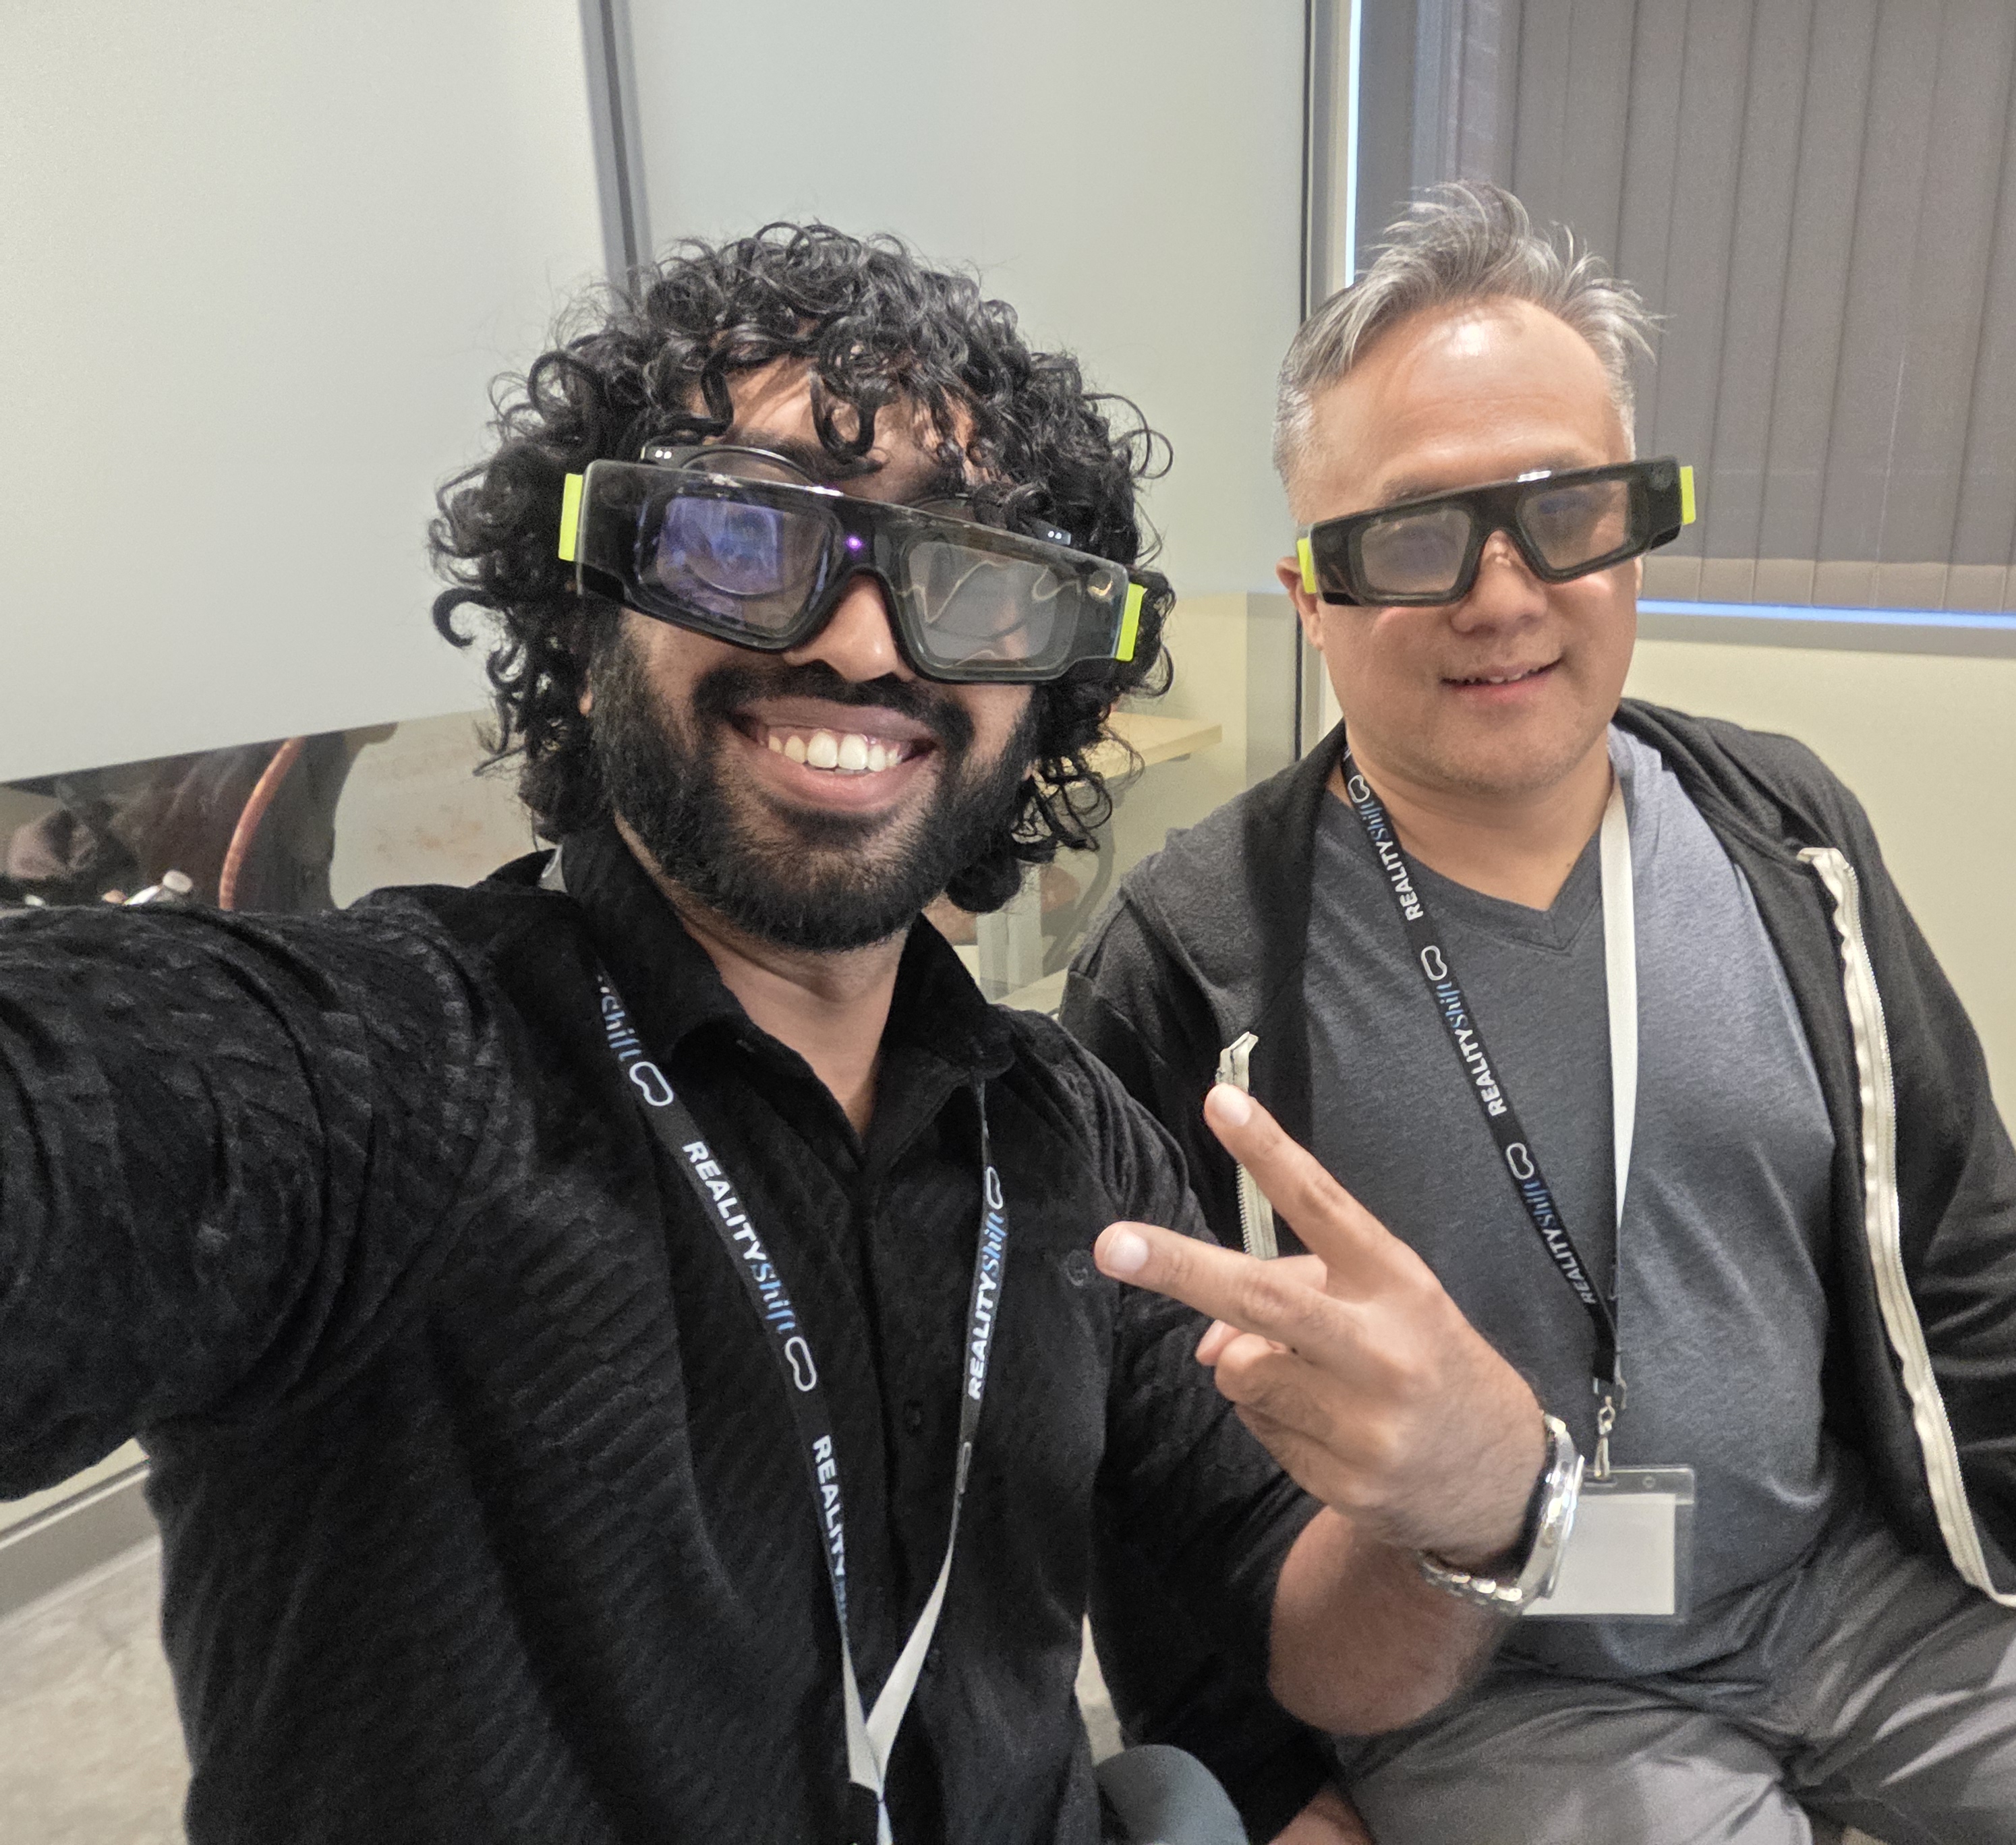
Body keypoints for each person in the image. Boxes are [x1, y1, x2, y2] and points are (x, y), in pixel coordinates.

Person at [0, 223, 1562, 1845]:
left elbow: (1310, 1636)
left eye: (969, 575)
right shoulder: (382, 1076)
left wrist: (1468, 1518)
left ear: (1043, 693)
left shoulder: (1076, 1147)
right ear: (590, 611)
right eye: (746, 536)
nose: (865, 644)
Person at [1064, 187, 2016, 1845]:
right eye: (1412, 538)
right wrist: (1263, 1781)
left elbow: (1968, 1252)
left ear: (1633, 536)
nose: (1503, 595)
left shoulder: (1787, 839)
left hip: (1863, 1599)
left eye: (1566, 512)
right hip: (1496, 1683)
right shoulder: (1194, 958)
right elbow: (1142, 1451)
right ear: (1312, 595)